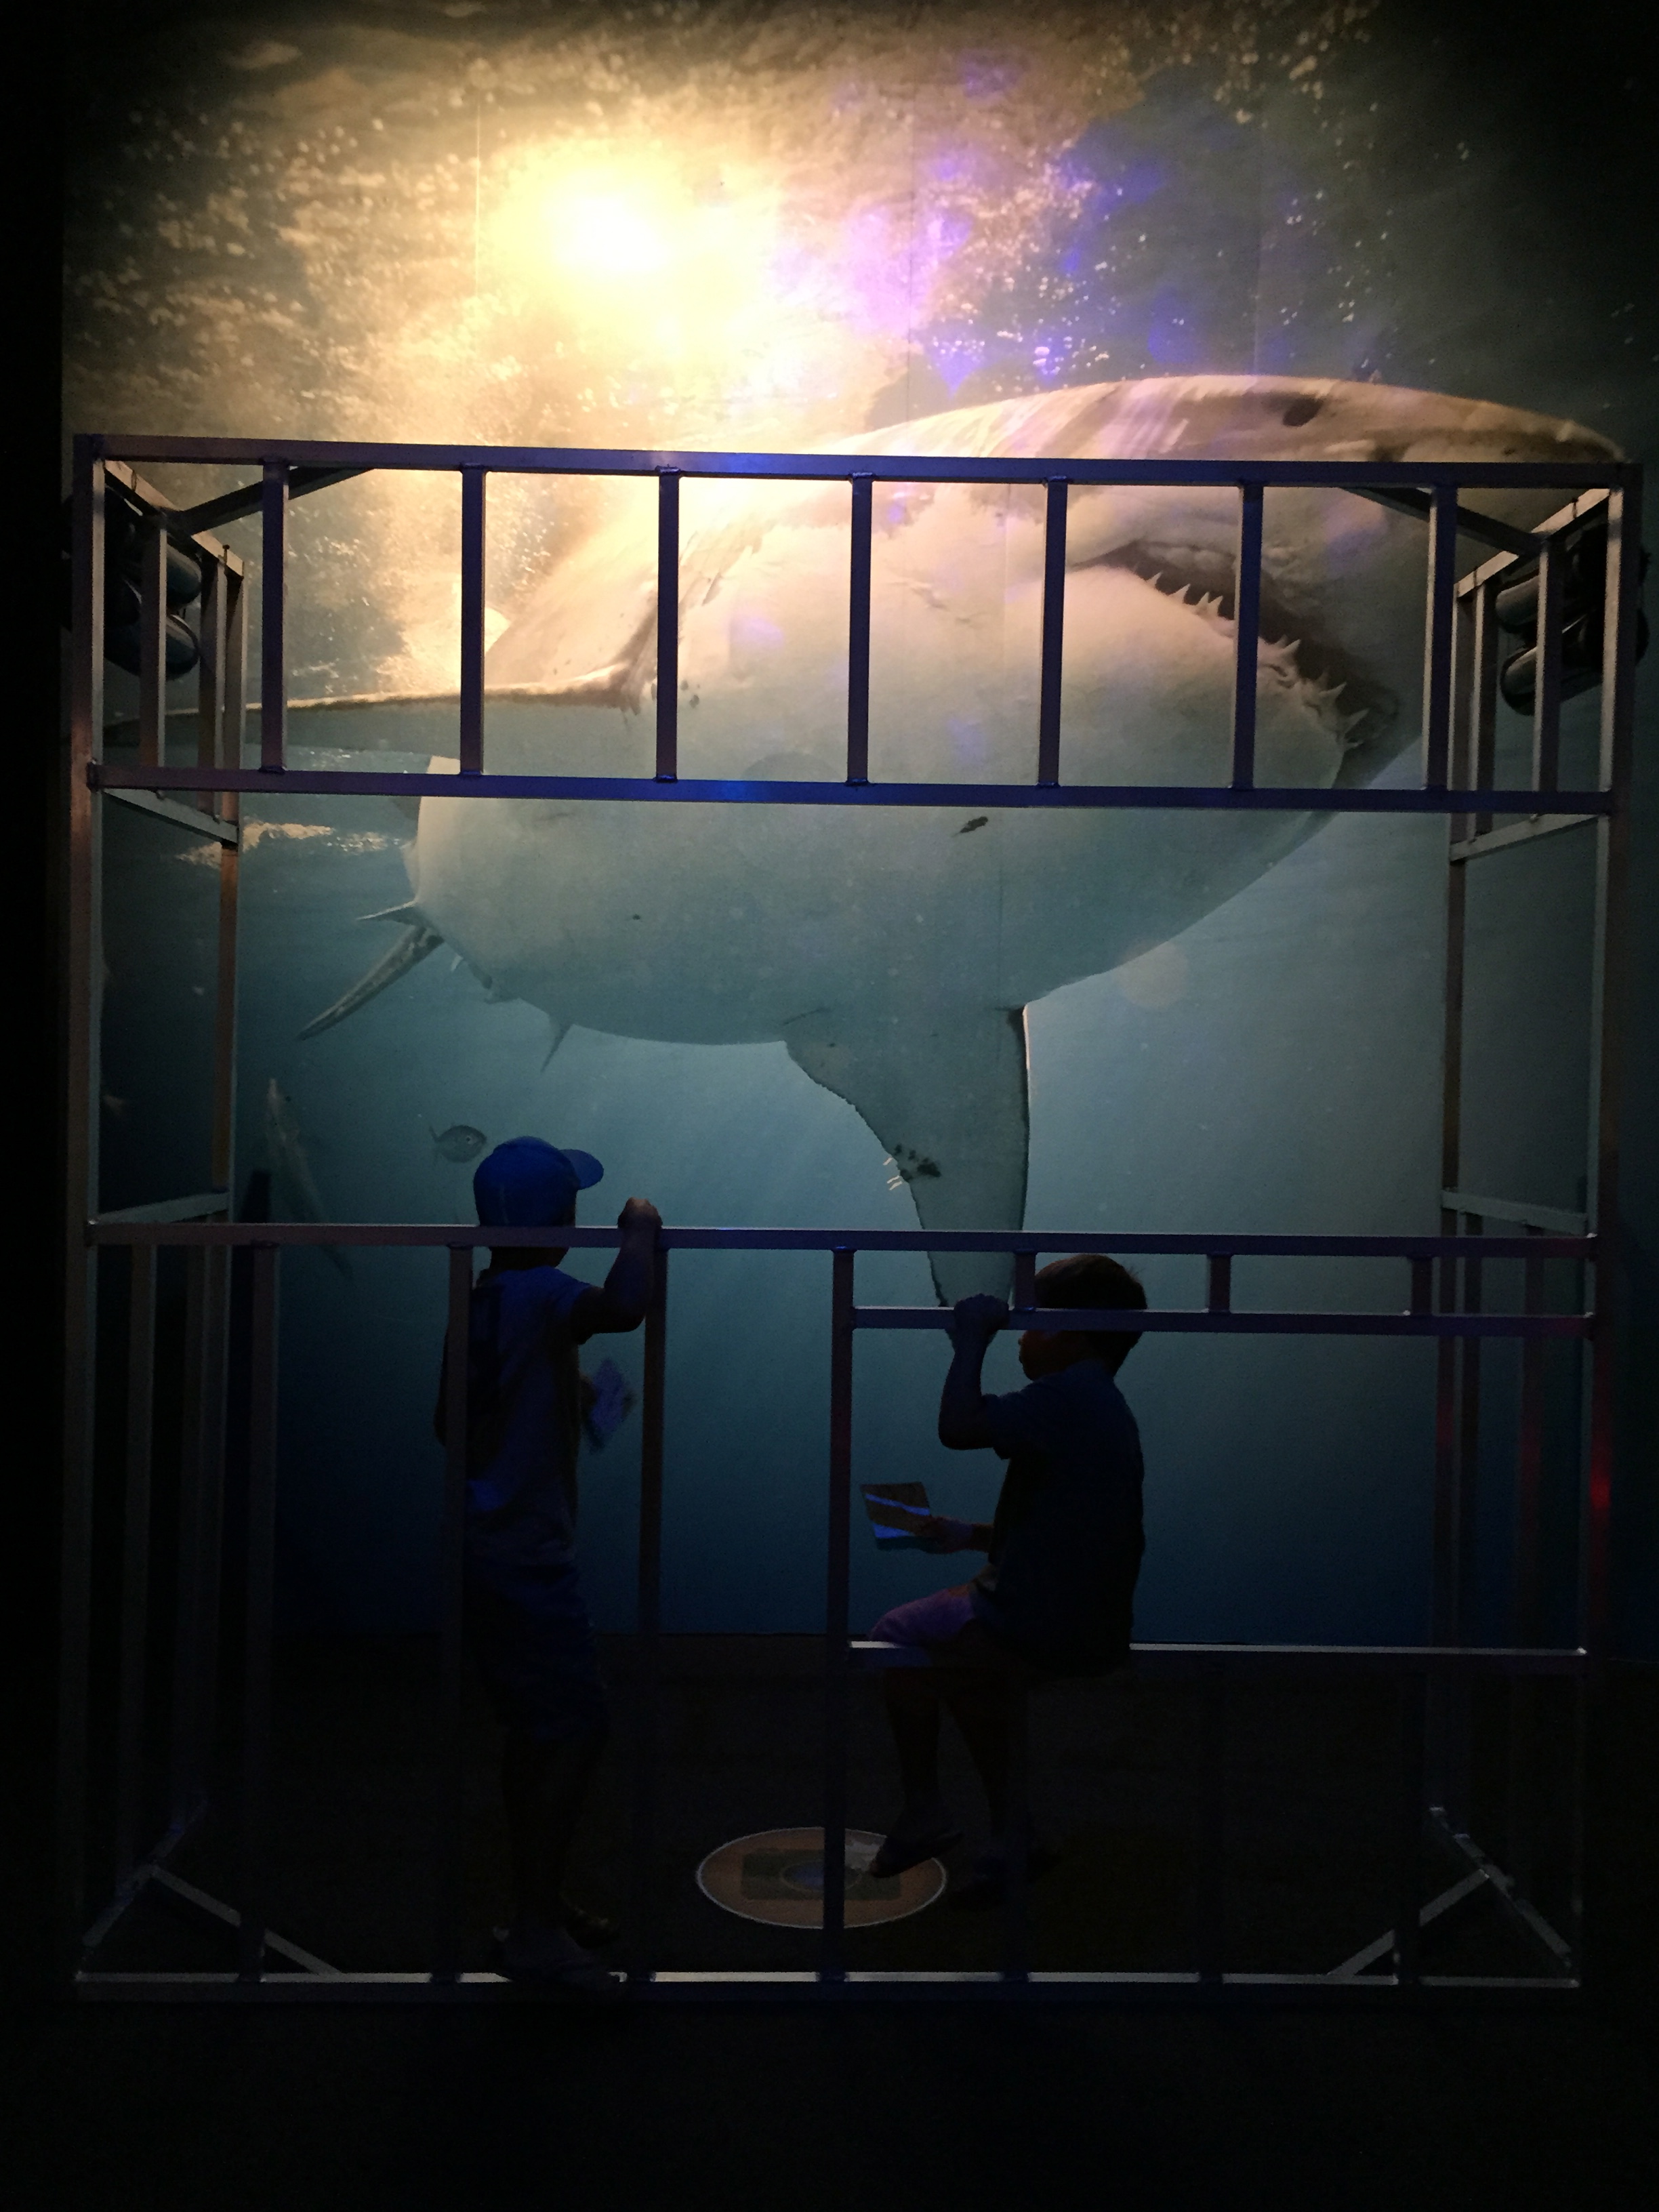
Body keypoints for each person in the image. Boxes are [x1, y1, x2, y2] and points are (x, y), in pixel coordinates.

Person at [433, 1136, 661, 1992]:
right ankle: (534, 1931)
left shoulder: (484, 1296)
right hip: (528, 1555)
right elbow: (626, 1307)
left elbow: (448, 1421)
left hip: (482, 1542)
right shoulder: (543, 1292)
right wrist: (640, 1229)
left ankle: (539, 1899)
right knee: (575, 1728)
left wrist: (556, 1389)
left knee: (534, 1732)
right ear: (560, 1222)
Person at [868, 1254, 1148, 1904]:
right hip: (1092, 1626)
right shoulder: (1102, 1403)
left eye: (1030, 1321)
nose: (1019, 1336)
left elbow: (958, 1426)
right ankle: (1015, 1836)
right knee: (972, 1681)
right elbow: (1065, 1525)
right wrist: (963, 1533)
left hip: (1039, 1624)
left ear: (1071, 1331)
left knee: (895, 1638)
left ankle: (924, 1810)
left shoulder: (1067, 1397)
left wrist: (972, 1337)